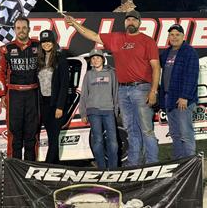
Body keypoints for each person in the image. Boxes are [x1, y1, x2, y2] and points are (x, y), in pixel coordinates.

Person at [65, 10, 160, 166]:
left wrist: (153, 90)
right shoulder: (116, 38)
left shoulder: (147, 41)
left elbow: (156, 67)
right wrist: (74, 23)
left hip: (142, 88)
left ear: (139, 23)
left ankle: (153, 165)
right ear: (125, 23)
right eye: (128, 19)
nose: (131, 22)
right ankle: (134, 164)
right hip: (123, 90)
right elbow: (93, 36)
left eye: (134, 20)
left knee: (146, 130)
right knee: (131, 130)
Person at [0, 16, 39, 161]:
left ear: (29, 29)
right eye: (18, 28)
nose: (21, 31)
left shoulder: (38, 46)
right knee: (15, 134)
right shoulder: (7, 49)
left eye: (24, 28)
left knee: (31, 133)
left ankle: (30, 168)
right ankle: (14, 169)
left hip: (33, 94)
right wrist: (2, 95)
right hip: (14, 95)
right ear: (14, 30)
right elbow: (0, 73)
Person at [159, 24, 199, 159]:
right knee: (175, 133)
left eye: (177, 34)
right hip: (169, 99)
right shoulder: (166, 53)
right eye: (172, 34)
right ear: (168, 37)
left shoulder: (189, 52)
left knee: (186, 133)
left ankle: (190, 164)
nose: (174, 37)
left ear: (183, 37)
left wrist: (185, 96)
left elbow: (192, 75)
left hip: (183, 100)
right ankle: (179, 162)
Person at [79, 49, 119, 169]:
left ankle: (113, 169)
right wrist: (83, 113)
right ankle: (101, 168)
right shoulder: (88, 75)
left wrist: (115, 110)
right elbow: (84, 94)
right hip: (93, 111)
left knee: (113, 142)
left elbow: (115, 92)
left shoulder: (111, 73)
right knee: (98, 141)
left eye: (98, 57)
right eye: (93, 58)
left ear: (103, 59)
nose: (95, 60)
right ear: (91, 61)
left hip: (108, 111)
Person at [37, 30, 69, 164]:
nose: (46, 44)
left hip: (55, 104)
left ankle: (48, 165)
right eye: (43, 42)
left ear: (54, 42)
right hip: (43, 103)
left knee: (54, 136)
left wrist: (60, 106)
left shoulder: (60, 58)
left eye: (49, 41)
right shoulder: (38, 59)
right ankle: (55, 165)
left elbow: (64, 84)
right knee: (50, 136)